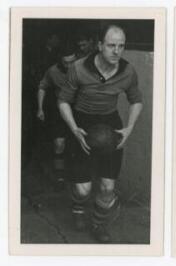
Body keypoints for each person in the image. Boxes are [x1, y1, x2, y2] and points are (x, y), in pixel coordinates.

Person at [58, 24, 143, 243]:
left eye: (121, 46)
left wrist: (129, 127)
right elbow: (63, 101)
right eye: (111, 45)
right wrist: (74, 129)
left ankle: (98, 224)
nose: (117, 51)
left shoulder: (128, 71)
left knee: (107, 187)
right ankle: (79, 206)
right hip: (82, 123)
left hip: (110, 124)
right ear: (99, 45)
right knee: (83, 190)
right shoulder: (78, 68)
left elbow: (136, 101)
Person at [36, 49, 78, 189]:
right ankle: (59, 176)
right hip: (60, 109)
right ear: (61, 61)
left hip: (79, 109)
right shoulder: (52, 71)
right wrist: (40, 108)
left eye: (72, 61)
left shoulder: (82, 68)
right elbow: (42, 87)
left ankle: (78, 175)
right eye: (66, 62)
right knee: (59, 143)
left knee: (77, 143)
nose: (69, 65)